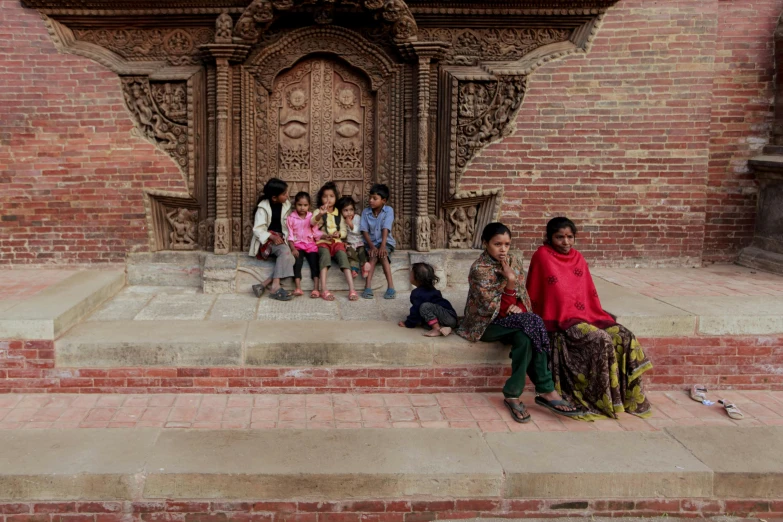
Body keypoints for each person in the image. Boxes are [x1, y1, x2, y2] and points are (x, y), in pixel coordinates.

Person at [526, 217, 653, 419]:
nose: (566, 242)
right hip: (559, 320)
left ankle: (627, 399)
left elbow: (586, 292)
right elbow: (543, 294)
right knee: (600, 339)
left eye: (570, 237)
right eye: (559, 237)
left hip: (588, 314)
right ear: (549, 238)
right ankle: (599, 400)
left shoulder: (578, 258)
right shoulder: (542, 256)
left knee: (624, 336)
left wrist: (585, 315)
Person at [456, 222, 580, 423]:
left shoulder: (513, 260)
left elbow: (523, 297)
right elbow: (495, 311)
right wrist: (510, 283)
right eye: (497, 244)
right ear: (485, 243)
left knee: (526, 335)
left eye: (506, 244)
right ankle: (547, 390)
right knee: (532, 323)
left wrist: (520, 307)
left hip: (514, 322)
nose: (503, 249)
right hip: (486, 325)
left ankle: (512, 394)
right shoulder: (479, 269)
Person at [248, 177, 295, 301]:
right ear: (274, 197)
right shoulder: (262, 208)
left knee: (291, 257)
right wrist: (272, 237)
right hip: (266, 241)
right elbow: (257, 229)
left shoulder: (286, 205)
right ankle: (275, 287)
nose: (287, 196)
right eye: (284, 194)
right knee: (286, 253)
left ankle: (263, 285)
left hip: (281, 239)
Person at [311, 182, 358, 302]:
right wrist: (320, 215)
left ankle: (352, 289)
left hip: (336, 242)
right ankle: (324, 289)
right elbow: (311, 223)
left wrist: (339, 234)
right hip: (323, 242)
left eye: (331, 196)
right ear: (321, 199)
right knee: (324, 258)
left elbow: (344, 230)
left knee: (343, 257)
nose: (328, 199)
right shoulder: (319, 211)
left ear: (335, 198)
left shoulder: (339, 213)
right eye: (325, 196)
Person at [398, 262, 458, 337]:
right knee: (424, 321)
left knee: (424, 307)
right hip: (451, 318)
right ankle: (445, 328)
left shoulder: (417, 293)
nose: (409, 275)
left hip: (447, 316)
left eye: (411, 273)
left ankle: (436, 329)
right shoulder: (432, 289)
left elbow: (415, 311)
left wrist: (408, 323)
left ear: (417, 278)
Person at [360, 183, 397, 300]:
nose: (371, 201)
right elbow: (364, 231)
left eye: (375, 199)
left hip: (386, 242)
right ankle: (368, 287)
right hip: (370, 243)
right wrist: (372, 246)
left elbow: (385, 228)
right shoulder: (365, 212)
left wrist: (382, 246)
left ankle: (391, 287)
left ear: (383, 200)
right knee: (373, 256)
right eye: (370, 198)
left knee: (383, 255)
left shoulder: (388, 211)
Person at [286, 192, 322, 298]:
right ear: (295, 205)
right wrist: (293, 248)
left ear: (309, 206)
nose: (302, 208)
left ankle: (315, 288)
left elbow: (315, 231)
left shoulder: (311, 217)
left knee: (314, 264)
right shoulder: (291, 218)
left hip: (310, 245)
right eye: (299, 205)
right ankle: (298, 287)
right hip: (297, 245)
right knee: (297, 263)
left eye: (305, 205)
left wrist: (324, 236)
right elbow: (290, 235)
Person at [337, 196, 367, 280]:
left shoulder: (357, 218)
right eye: (345, 210)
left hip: (359, 242)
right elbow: (341, 233)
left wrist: (351, 224)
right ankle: (354, 270)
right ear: (341, 211)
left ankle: (364, 266)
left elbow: (360, 230)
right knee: (350, 254)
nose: (349, 213)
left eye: (351, 209)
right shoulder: (341, 220)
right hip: (349, 243)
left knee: (362, 252)